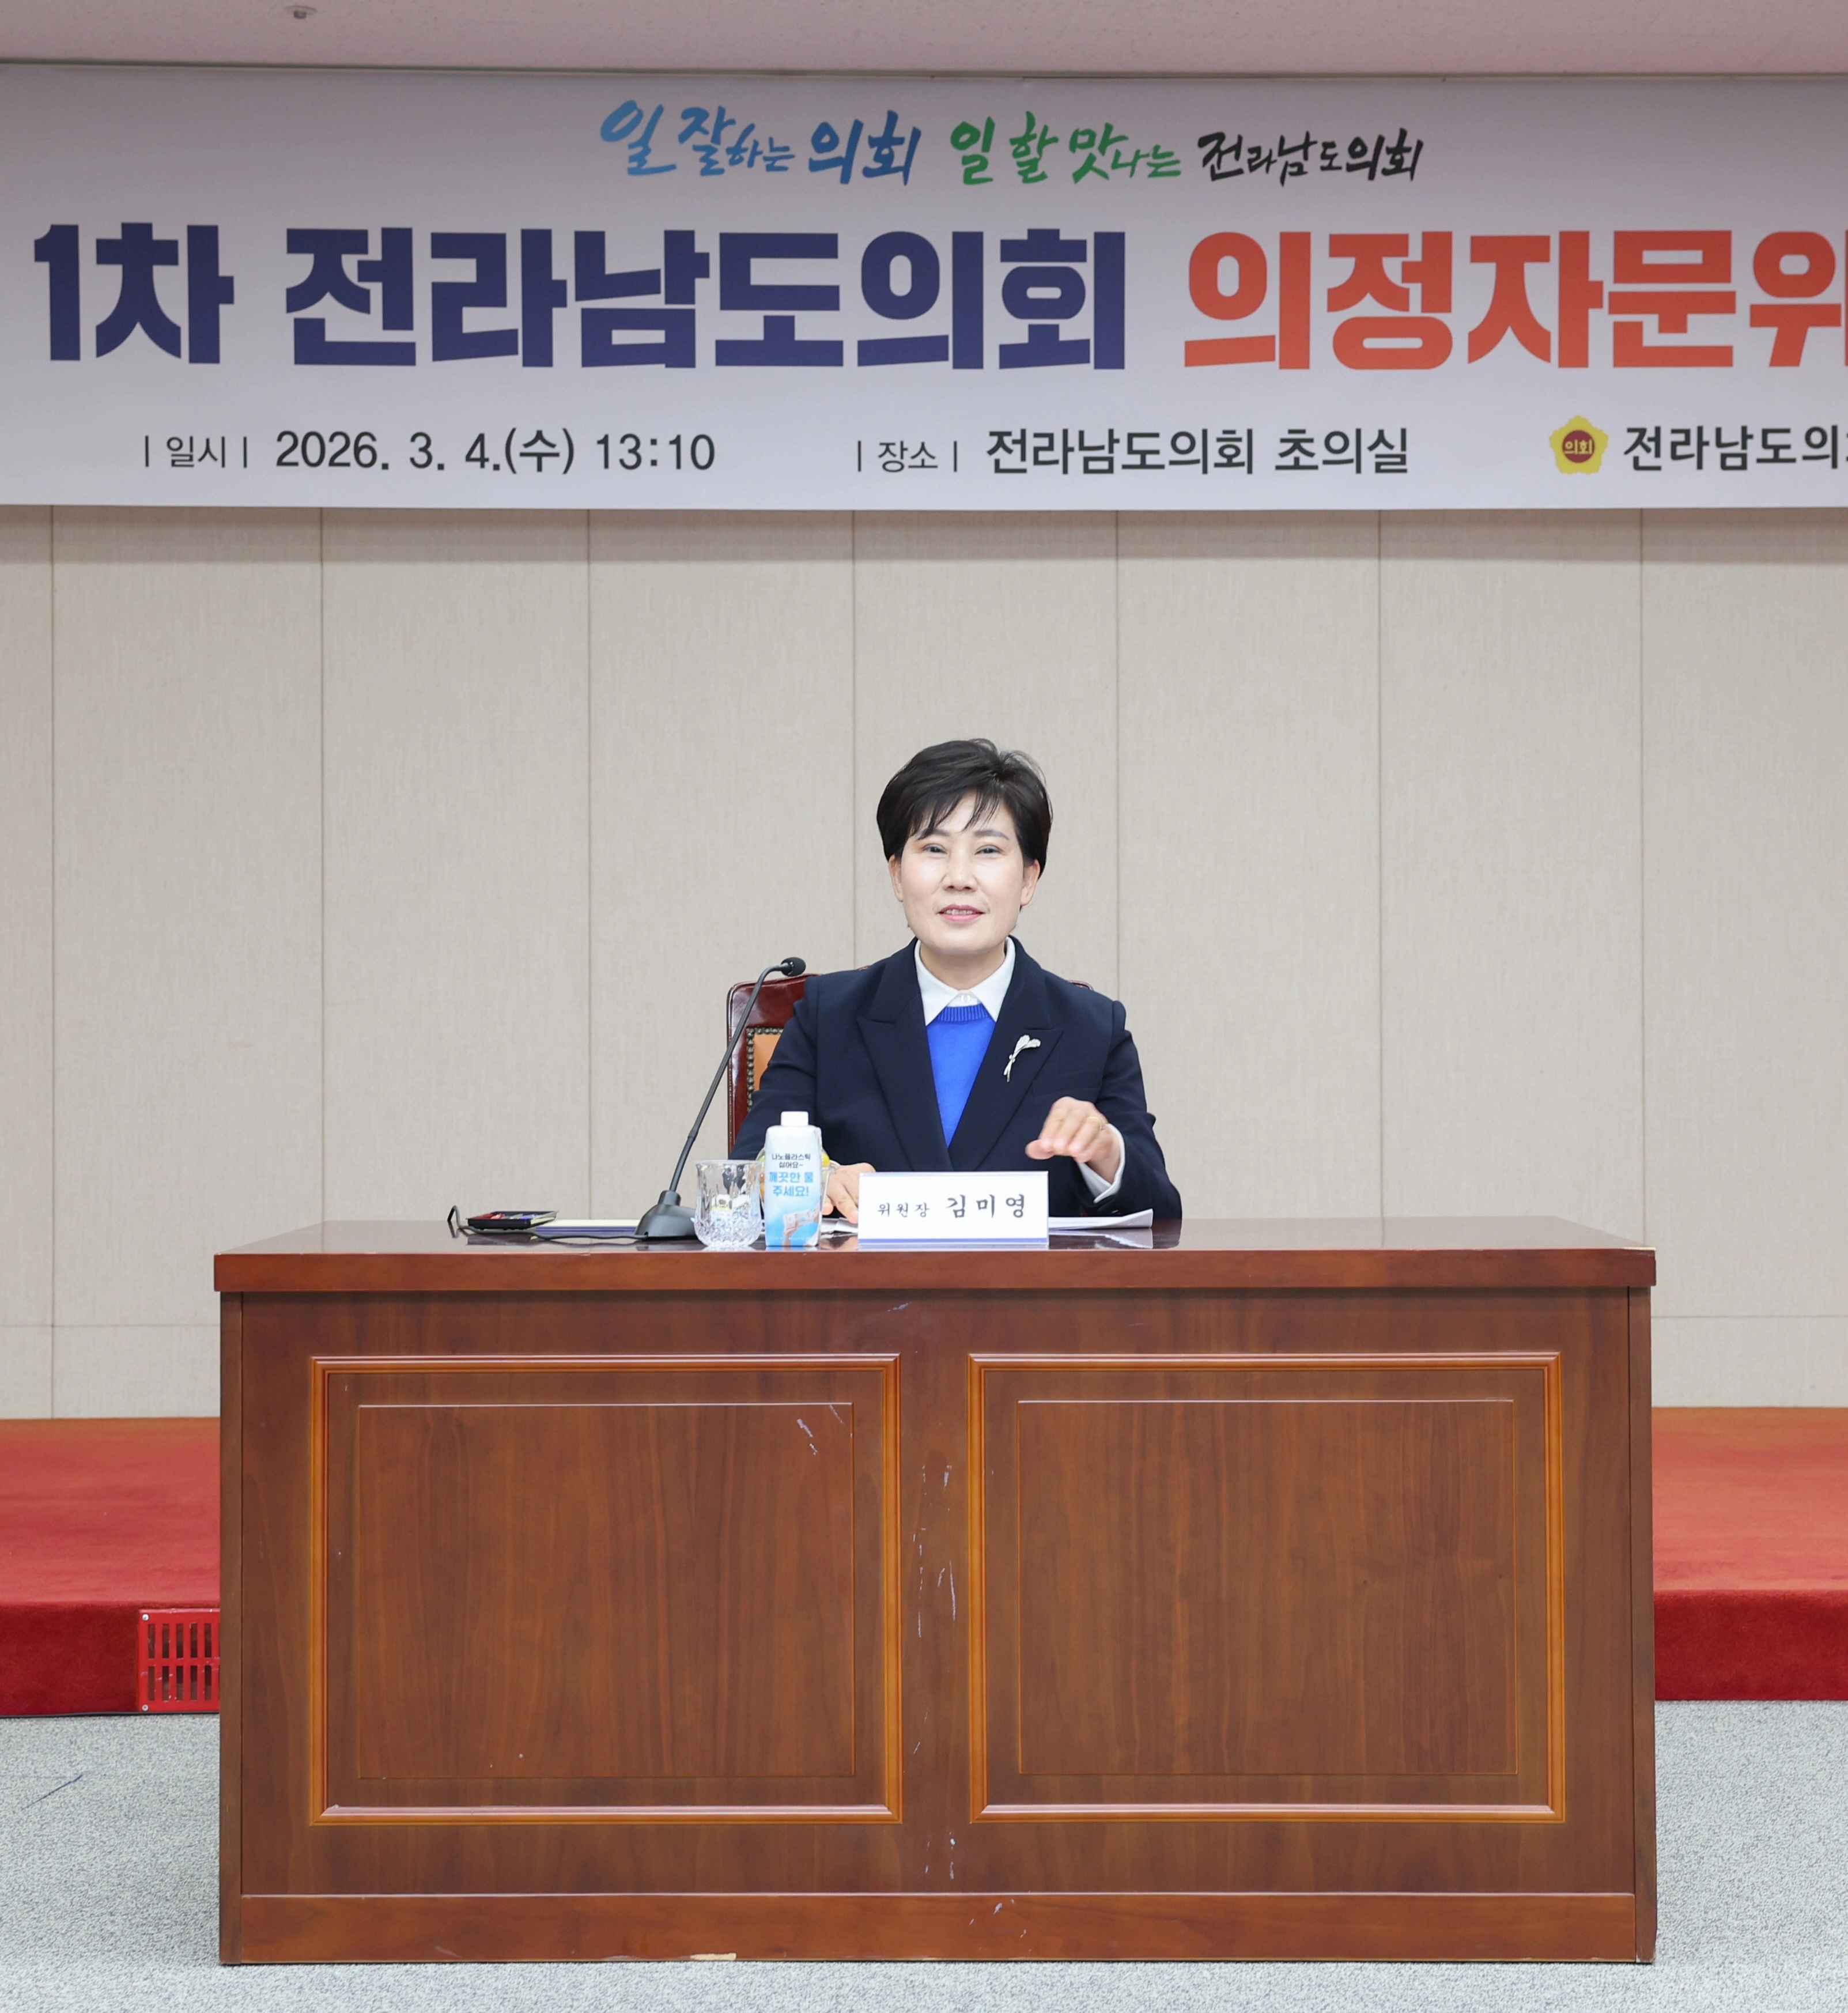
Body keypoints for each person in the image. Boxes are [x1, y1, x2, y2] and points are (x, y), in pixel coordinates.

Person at [734, 739, 1182, 1222]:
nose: (959, 877)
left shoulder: (1091, 1028)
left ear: (1028, 879)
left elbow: (1161, 1213)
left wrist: (1106, 1153)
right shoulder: (828, 1016)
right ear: (897, 875)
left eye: (988, 850)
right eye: (934, 849)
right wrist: (819, 1180)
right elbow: (746, 1174)